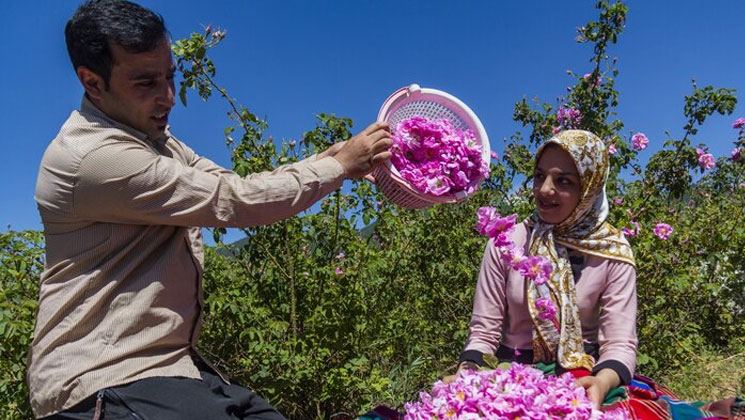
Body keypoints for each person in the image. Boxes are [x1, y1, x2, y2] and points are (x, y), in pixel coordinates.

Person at [28, 1, 391, 419]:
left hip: (169, 370)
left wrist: (332, 161)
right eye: (146, 83)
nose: (169, 97)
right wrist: (339, 166)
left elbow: (237, 185)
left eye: (170, 76)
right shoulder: (92, 157)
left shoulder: (159, 142)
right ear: (92, 82)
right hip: (102, 375)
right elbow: (231, 202)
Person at [449, 130, 742, 419]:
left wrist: (601, 383)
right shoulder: (507, 242)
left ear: (589, 188)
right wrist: (470, 370)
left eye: (563, 181)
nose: (544, 189)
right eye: (539, 176)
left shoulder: (611, 250)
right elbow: (484, 331)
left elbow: (619, 342)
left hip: (584, 375)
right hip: (513, 373)